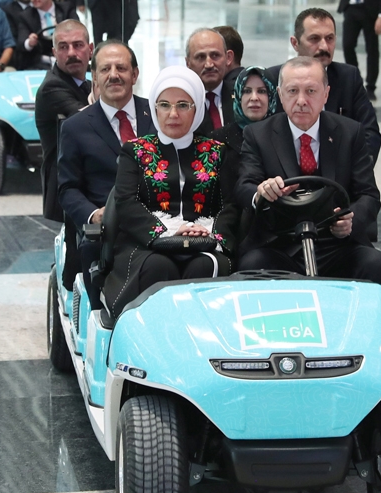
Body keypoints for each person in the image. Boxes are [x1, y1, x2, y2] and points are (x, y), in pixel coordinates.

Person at [236, 57, 381, 291]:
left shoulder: (350, 133)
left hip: (337, 244)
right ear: (280, 94)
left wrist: (350, 220)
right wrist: (261, 191)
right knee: (253, 265)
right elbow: (244, 186)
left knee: (377, 265)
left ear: (326, 94)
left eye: (311, 91)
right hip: (281, 243)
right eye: (292, 91)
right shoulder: (257, 135)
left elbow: (369, 195)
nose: (301, 101)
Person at [100, 67, 239, 316]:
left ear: (196, 109)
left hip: (204, 242)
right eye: (164, 105)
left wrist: (208, 232)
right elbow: (126, 201)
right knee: (157, 266)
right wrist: (169, 232)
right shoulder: (136, 151)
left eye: (183, 105)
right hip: (146, 244)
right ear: (154, 109)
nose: (173, 114)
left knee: (205, 267)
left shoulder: (217, 151)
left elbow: (231, 204)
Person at [57, 41, 155, 307]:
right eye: (106, 69)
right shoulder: (75, 128)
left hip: (160, 221)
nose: (114, 75)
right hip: (108, 229)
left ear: (135, 74)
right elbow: (67, 189)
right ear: (95, 77)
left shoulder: (159, 115)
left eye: (121, 68)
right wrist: (93, 214)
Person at [265, 8, 381, 162]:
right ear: (295, 43)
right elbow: (259, 137)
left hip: (339, 175)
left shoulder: (348, 78)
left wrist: (349, 171)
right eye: (314, 39)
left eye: (329, 38)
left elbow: (370, 134)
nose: (324, 47)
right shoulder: (272, 79)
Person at [37, 19, 93, 223]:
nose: (71, 53)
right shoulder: (52, 87)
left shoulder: (84, 84)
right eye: (63, 47)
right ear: (54, 53)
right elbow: (88, 118)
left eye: (78, 45)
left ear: (90, 49)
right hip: (65, 185)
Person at [210, 66, 277, 221]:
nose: (254, 97)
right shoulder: (218, 139)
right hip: (227, 222)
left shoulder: (283, 134)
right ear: (238, 95)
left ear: (272, 96)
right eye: (247, 91)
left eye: (261, 91)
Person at [186, 28, 235, 135]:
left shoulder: (242, 97)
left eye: (215, 55)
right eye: (200, 57)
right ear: (188, 63)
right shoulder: (181, 103)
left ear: (228, 58)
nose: (209, 64)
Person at [337, 0, 381, 101]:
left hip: (370, 9)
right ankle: (355, 80)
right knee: (348, 45)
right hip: (350, 8)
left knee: (372, 49)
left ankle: (371, 86)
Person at [4, 0, 78, 70]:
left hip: (67, 58)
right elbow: (21, 42)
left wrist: (65, 31)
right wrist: (30, 42)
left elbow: (77, 31)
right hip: (41, 62)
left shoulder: (66, 9)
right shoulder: (26, 16)